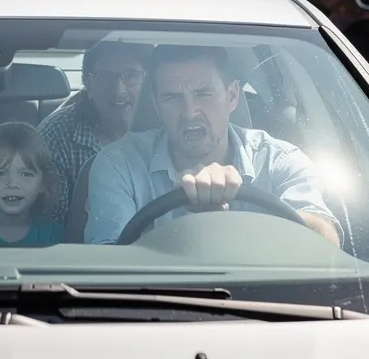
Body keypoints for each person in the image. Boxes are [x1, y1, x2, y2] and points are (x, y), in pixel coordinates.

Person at [84, 44, 342, 246]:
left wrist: (229, 224)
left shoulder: (278, 159)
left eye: (203, 94)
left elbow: (327, 242)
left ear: (232, 96)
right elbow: (105, 261)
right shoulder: (120, 163)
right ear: (156, 104)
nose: (189, 112)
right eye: (172, 97)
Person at [37, 41, 150, 223]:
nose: (118, 90)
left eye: (130, 76)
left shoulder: (168, 129)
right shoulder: (56, 135)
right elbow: (51, 226)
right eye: (105, 77)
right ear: (88, 84)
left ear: (147, 82)